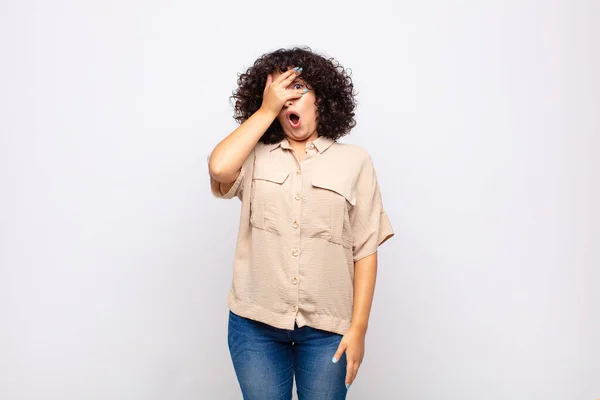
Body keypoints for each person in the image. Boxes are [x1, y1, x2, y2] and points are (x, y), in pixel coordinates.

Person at [207, 46, 394, 399]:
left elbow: (365, 248)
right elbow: (219, 168)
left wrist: (359, 329)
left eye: (298, 89)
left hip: (327, 329)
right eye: (279, 93)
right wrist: (266, 110)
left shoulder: (355, 161)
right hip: (255, 326)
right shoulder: (254, 156)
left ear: (321, 98)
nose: (288, 100)